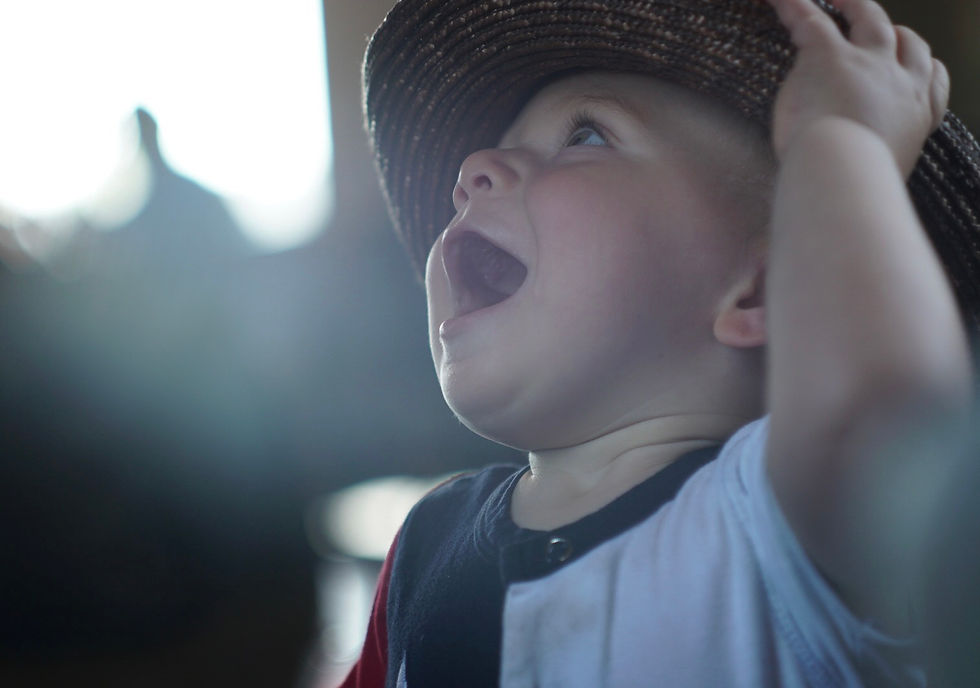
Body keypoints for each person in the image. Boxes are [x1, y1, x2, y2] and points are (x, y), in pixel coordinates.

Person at [346, 0, 980, 685]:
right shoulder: (422, 549)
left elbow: (896, 427)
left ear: (764, 289)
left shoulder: (784, 527)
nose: (473, 169)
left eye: (585, 136)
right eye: (481, 163)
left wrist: (844, 140)